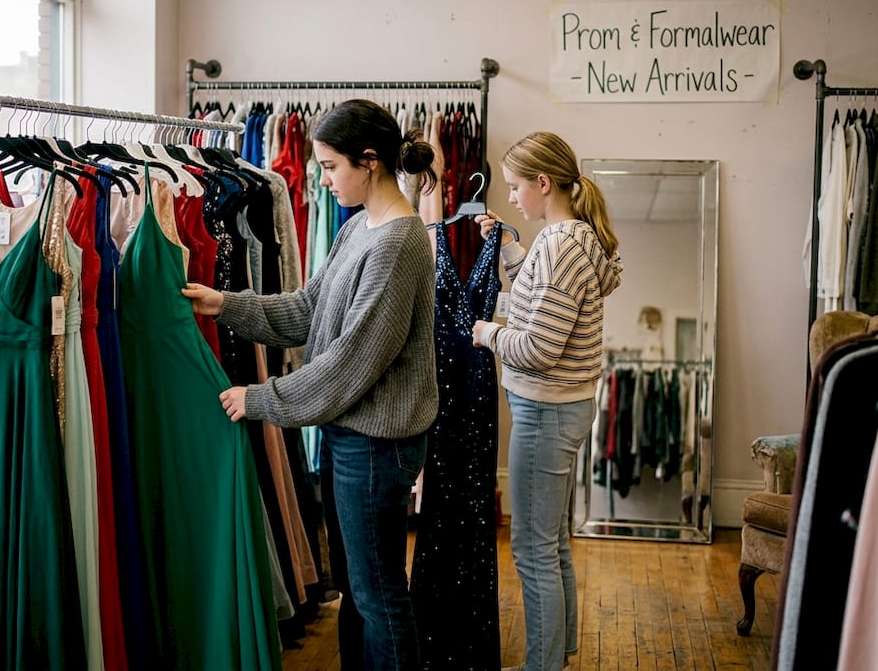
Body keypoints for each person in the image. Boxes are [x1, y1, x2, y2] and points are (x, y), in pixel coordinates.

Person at [182, 99, 439, 671]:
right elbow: (308, 309)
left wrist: (260, 399)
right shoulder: (358, 230)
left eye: (329, 166)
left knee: (378, 596)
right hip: (354, 439)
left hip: (376, 446)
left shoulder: (397, 242)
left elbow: (351, 362)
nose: (321, 182)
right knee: (361, 591)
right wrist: (225, 303)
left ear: (369, 161)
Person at [471, 132, 623, 671]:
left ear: (542, 183)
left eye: (515, 187)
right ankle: (556, 656)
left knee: (533, 552)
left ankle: (543, 664)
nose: (511, 198)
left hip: (546, 410)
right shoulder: (568, 240)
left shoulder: (559, 246)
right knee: (551, 543)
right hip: (562, 407)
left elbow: (536, 345)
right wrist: (513, 250)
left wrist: (484, 332)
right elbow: (536, 301)